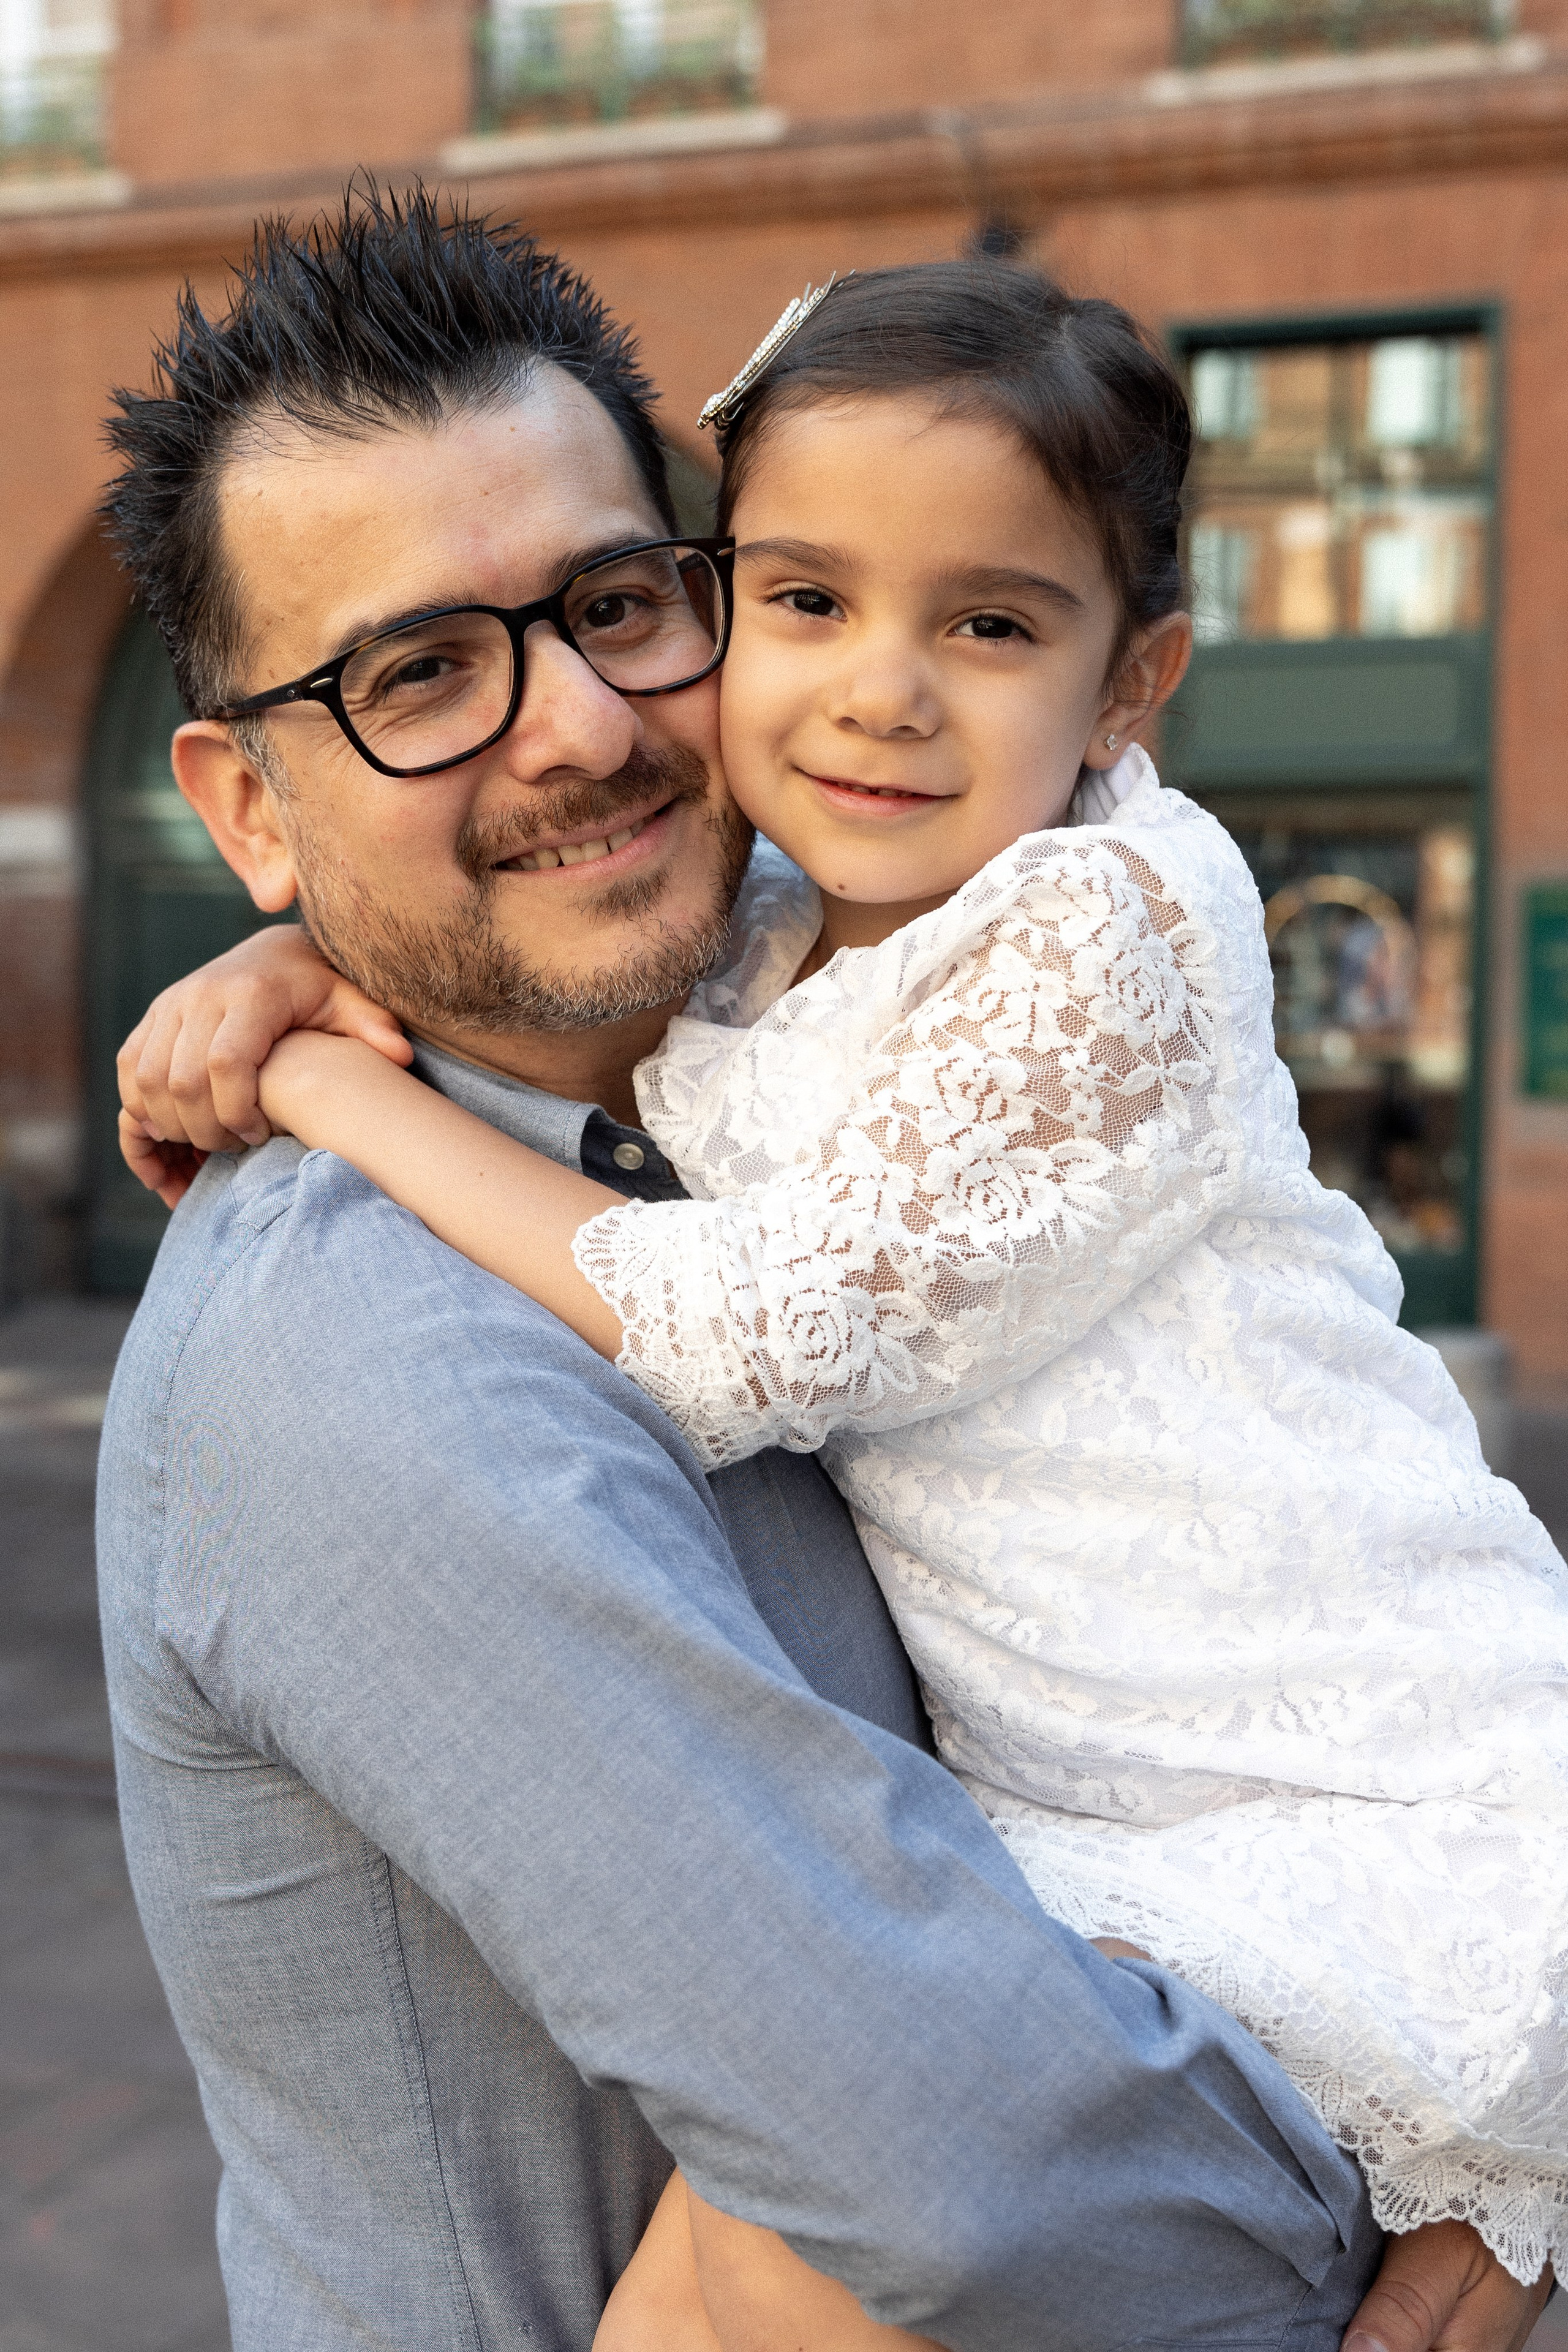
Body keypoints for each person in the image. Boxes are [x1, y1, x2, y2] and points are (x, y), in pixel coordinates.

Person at [106, 189, 1553, 2352]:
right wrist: (1436, 2173)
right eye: (417, 677)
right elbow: (980, 2189)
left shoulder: (814, 1008)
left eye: (616, 604)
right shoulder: (365, 1361)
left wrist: (1510, 2134)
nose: (582, 730)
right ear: (247, 804)